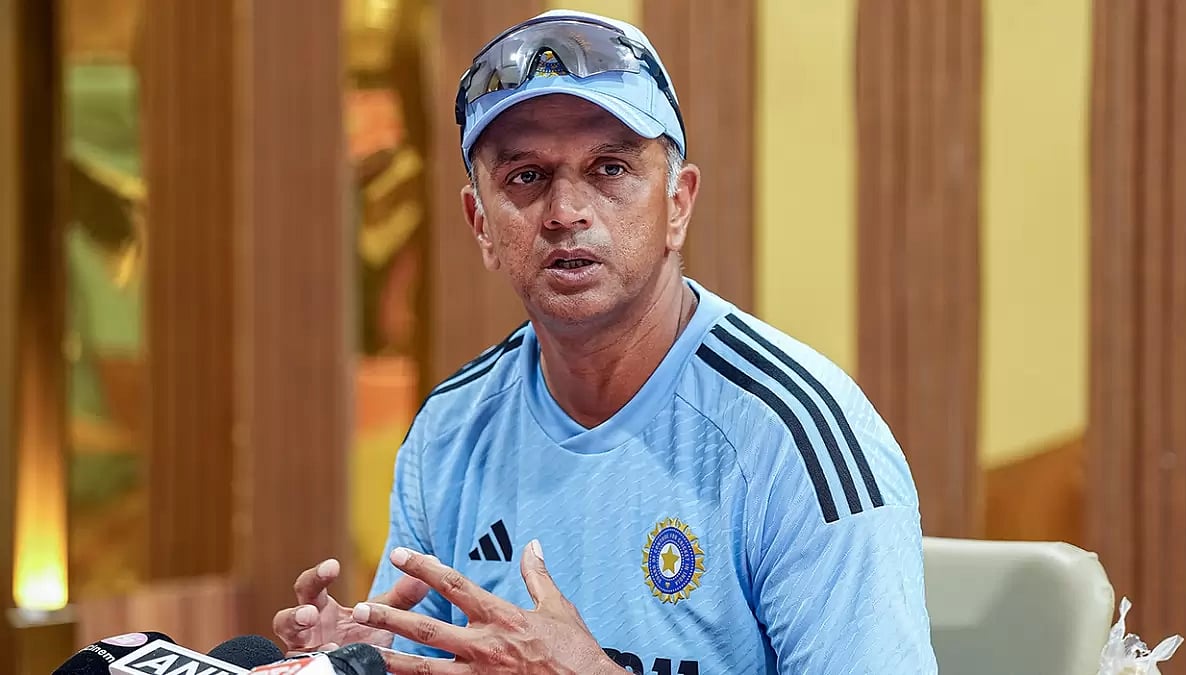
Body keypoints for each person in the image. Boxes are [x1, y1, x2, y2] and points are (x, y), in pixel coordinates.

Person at [273, 9, 937, 673]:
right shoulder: (449, 433)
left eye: (610, 169)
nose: (566, 212)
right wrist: (359, 663)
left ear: (678, 205)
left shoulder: (795, 438)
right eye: (526, 176)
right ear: (481, 225)